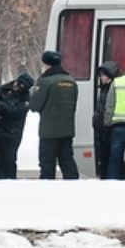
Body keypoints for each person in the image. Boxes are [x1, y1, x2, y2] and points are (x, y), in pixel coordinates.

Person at [29, 50, 80, 180]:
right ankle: (74, 185)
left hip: (49, 130)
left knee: (47, 163)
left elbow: (34, 105)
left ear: (46, 64)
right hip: (67, 129)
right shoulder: (71, 81)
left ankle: (48, 189)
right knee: (67, 160)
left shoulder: (45, 82)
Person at [0, 73, 34, 179]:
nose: (18, 87)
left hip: (12, 133)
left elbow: (14, 111)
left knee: (9, 160)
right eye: (18, 84)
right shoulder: (3, 89)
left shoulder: (25, 99)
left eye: (22, 87)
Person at [93, 61, 119, 180]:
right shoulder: (103, 88)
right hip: (102, 129)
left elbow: (107, 109)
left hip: (108, 129)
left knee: (109, 156)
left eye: (103, 75)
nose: (101, 77)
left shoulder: (111, 88)